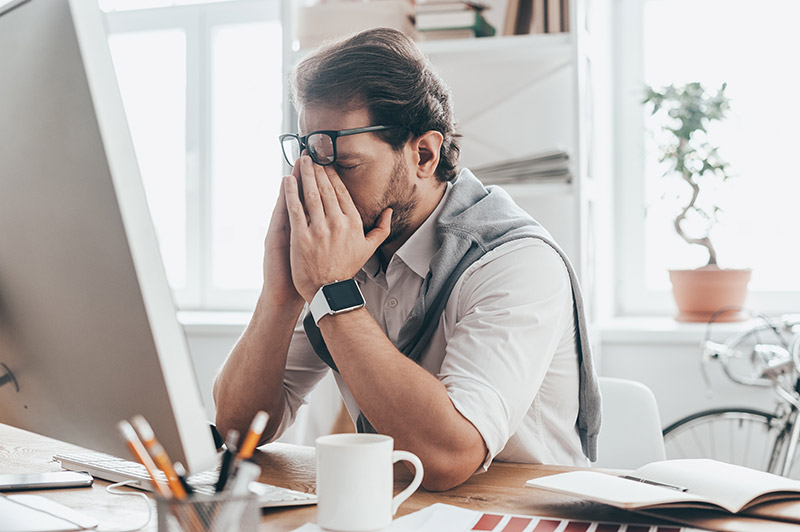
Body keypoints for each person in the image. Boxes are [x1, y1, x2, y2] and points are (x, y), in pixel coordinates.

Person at [213, 27, 601, 492]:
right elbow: (236, 432)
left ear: (424, 153)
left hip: (523, 514)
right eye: (313, 159)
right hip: (401, 512)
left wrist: (333, 292)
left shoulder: (517, 263)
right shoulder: (344, 254)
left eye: (346, 164)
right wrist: (279, 295)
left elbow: (445, 458)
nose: (320, 185)